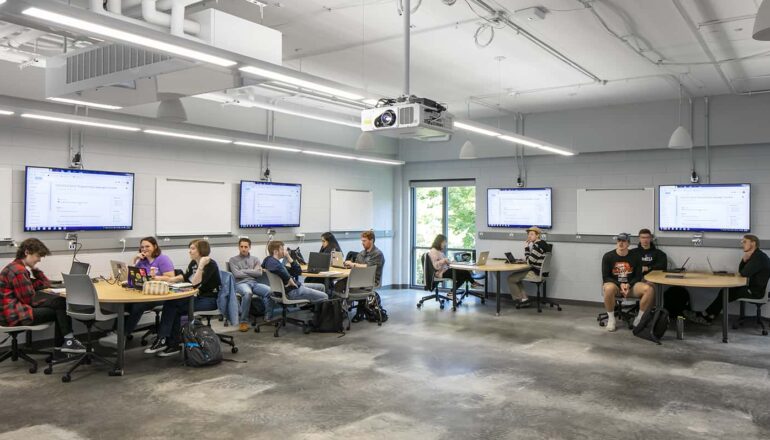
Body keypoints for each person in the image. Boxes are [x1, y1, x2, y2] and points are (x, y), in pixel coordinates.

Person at [0, 238, 85, 353]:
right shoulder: (19, 271)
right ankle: (65, 345)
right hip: (14, 315)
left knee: (59, 302)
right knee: (61, 307)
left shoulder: (15, 267)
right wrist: (49, 302)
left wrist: (34, 269)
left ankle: (64, 345)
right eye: (38, 256)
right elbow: (29, 300)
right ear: (27, 252)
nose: (39, 259)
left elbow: (44, 284)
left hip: (8, 313)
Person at [144, 239, 220, 356]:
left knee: (174, 308)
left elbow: (195, 284)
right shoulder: (193, 262)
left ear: (201, 250)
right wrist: (165, 279)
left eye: (193, 248)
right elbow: (185, 277)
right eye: (190, 248)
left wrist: (200, 266)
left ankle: (168, 342)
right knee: (171, 304)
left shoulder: (210, 265)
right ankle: (167, 341)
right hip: (194, 297)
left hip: (209, 300)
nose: (189, 251)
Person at [685, 234, 770, 325]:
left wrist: (744, 260)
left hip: (755, 291)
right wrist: (744, 261)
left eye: (745, 242)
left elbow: (743, 273)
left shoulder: (759, 257)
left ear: (753, 244)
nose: (742, 244)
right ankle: (707, 314)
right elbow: (742, 272)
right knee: (724, 292)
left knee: (725, 293)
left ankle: (708, 317)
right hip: (752, 287)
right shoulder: (756, 255)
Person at [122, 237, 176, 339]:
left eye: (147, 246)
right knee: (123, 304)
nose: (144, 249)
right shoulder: (142, 261)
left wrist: (155, 278)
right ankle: (117, 331)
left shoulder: (162, 259)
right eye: (142, 247)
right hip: (144, 292)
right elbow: (130, 274)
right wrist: (134, 259)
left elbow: (171, 277)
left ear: (155, 246)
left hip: (159, 294)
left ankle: (123, 334)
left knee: (138, 305)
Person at [601, 232, 655, 332]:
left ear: (628, 244)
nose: (621, 243)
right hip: (615, 286)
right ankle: (611, 319)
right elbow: (606, 277)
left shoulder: (636, 256)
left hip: (631, 285)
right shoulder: (608, 256)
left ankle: (639, 319)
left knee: (649, 289)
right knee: (608, 288)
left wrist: (629, 285)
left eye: (624, 241)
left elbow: (638, 276)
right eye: (619, 241)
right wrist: (620, 285)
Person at [262, 241, 328, 303]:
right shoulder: (271, 262)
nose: (284, 251)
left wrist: (288, 257)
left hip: (295, 287)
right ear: (276, 252)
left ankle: (317, 311)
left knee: (321, 287)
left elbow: (298, 272)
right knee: (325, 296)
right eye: (282, 249)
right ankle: (321, 313)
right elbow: (276, 267)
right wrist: (289, 279)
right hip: (293, 291)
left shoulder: (275, 262)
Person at [229, 238, 272, 332]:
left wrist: (244, 270)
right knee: (247, 293)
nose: (243, 249)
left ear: (249, 247)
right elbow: (237, 275)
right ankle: (243, 322)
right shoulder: (233, 260)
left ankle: (268, 317)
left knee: (269, 291)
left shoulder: (255, 259)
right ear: (238, 247)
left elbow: (259, 274)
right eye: (241, 247)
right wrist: (252, 272)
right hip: (241, 283)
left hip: (254, 283)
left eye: (246, 247)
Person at [507, 226, 548, 307]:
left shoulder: (537, 246)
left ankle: (521, 300)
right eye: (528, 234)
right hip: (541, 272)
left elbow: (529, 262)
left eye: (532, 234)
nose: (529, 236)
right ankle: (524, 299)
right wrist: (526, 259)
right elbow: (532, 259)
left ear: (537, 235)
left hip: (536, 273)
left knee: (511, 279)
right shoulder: (543, 244)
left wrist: (526, 248)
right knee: (516, 278)